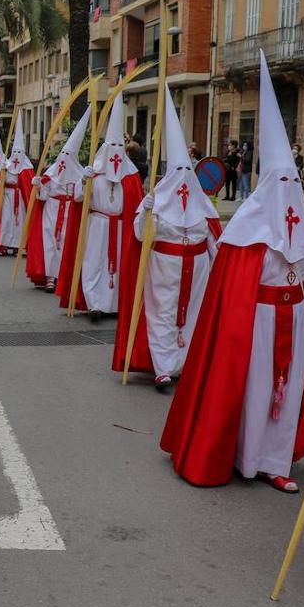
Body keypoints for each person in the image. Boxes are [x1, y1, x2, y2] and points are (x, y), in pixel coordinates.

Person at [161, 52, 304, 494]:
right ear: (270, 189)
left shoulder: (300, 232)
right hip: (256, 326)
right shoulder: (243, 236)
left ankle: (275, 461)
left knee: (285, 396)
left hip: (295, 322)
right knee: (252, 391)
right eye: (282, 185)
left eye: (295, 186)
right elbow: (233, 294)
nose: (290, 197)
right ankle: (244, 456)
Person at [115, 87, 222, 388]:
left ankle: (183, 364)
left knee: (192, 316)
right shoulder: (156, 200)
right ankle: (162, 366)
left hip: (197, 267)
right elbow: (140, 235)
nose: (183, 183)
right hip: (163, 266)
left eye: (185, 171)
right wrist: (145, 213)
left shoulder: (201, 205)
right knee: (162, 314)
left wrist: (222, 263)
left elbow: (215, 241)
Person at [61, 94, 144, 321]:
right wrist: (84, 181)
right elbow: (78, 199)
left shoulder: (131, 176)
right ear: (106, 149)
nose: (116, 152)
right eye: (112, 146)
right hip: (97, 225)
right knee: (93, 263)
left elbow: (136, 206)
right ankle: (94, 303)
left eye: (120, 146)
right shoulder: (94, 173)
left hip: (120, 226)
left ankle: (114, 304)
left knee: (117, 265)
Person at [27, 109, 90, 293]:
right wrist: (38, 186)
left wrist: (85, 181)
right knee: (49, 244)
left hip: (69, 211)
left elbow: (79, 196)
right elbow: (43, 196)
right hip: (51, 211)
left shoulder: (79, 175)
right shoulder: (51, 173)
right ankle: (49, 277)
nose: (64, 162)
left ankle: (62, 277)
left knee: (65, 245)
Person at [0, 111, 35, 256]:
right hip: (6, 197)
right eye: (16, 152)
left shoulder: (27, 168)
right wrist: (2, 174)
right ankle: (2, 245)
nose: (17, 157)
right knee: (6, 221)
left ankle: (17, 245)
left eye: (20, 152)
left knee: (19, 222)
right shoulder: (5, 165)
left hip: (19, 198)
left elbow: (28, 186)